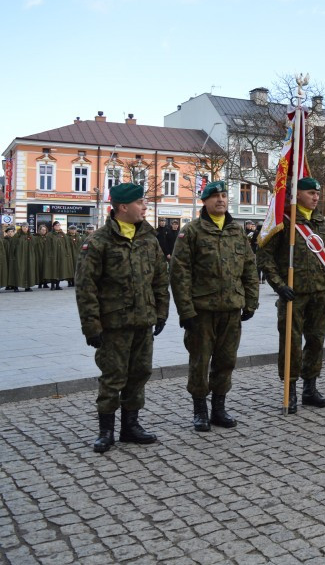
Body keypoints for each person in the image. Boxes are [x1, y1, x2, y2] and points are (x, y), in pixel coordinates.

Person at [75, 183, 170, 453]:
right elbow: (86, 287)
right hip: (113, 325)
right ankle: (106, 431)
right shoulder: (98, 241)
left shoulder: (149, 239)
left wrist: (161, 313)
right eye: (140, 202)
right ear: (123, 207)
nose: (145, 207)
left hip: (143, 321)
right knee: (113, 377)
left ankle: (131, 426)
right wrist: (91, 326)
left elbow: (160, 280)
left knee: (139, 374)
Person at [170, 180, 260, 431]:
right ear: (205, 201)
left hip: (231, 308)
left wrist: (251, 301)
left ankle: (219, 408)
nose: (221, 200)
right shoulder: (192, 232)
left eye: (223, 196)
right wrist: (185, 310)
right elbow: (179, 274)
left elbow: (249, 268)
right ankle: (200, 409)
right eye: (215, 196)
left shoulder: (237, 231)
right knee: (200, 361)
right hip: (202, 311)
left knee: (226, 360)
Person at [257, 177, 325, 411]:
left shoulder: (324, 226)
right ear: (298, 195)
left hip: (319, 294)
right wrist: (279, 285)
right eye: (310, 193)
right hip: (293, 295)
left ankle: (310, 388)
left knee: (316, 342)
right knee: (291, 343)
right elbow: (265, 259)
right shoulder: (284, 223)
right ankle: (290, 389)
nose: (316, 197)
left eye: (317, 193)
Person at [9, 222, 37, 292]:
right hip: (19, 257)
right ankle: (16, 286)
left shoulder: (31, 236)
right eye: (24, 226)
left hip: (29, 257)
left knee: (28, 271)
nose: (25, 228)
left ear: (28, 228)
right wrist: (13, 256)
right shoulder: (17, 236)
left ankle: (27, 286)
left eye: (26, 227)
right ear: (21, 227)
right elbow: (13, 246)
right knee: (18, 271)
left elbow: (34, 246)